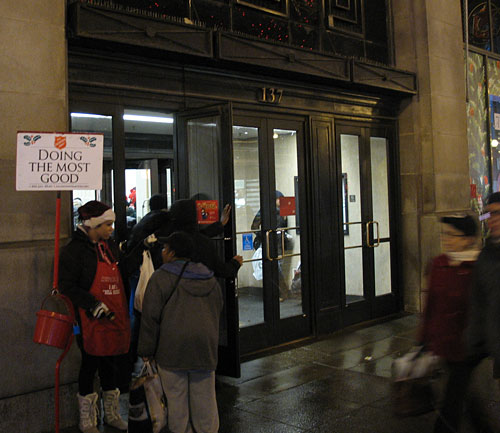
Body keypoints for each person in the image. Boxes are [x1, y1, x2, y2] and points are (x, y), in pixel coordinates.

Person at [138, 232, 223, 433]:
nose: (163, 251)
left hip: (172, 350)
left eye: (165, 248)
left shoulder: (161, 278)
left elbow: (150, 318)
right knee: (205, 403)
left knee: (176, 401)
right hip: (205, 349)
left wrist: (146, 350)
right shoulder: (210, 278)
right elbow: (217, 310)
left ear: (173, 253)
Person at [59, 200, 130, 433]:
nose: (111, 229)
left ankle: (111, 413)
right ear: (92, 225)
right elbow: (66, 285)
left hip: (113, 316)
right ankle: (87, 419)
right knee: (89, 366)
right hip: (88, 319)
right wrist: (93, 304)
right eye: (107, 224)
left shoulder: (109, 247)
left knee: (111, 364)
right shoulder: (73, 251)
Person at [418, 214, 480, 433]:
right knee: (462, 395)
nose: (446, 239)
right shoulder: (439, 264)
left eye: (453, 235)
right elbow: (431, 305)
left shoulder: (478, 267)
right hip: (442, 342)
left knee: (450, 405)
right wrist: (423, 339)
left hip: (467, 348)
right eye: (444, 233)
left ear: (468, 238)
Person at [468, 191, 500, 409]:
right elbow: (479, 305)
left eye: (497, 213)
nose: (492, 220)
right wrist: (473, 344)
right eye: (489, 215)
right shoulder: (486, 256)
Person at [251, 190, 292, 301]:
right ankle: (281, 293)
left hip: (279, 243)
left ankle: (281, 293)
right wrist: (264, 234)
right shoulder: (264, 211)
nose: (281, 201)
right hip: (269, 243)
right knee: (273, 269)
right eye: (280, 199)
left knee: (276, 268)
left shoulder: (282, 212)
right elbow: (254, 226)